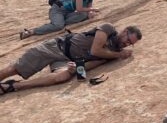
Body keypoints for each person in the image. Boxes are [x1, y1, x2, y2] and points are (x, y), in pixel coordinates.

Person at [0, 24, 141, 96]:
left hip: (68, 60)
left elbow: (88, 65)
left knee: (61, 77)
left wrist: (74, 69)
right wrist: (119, 55)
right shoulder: (108, 29)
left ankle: (13, 86)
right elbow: (95, 50)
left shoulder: (111, 54)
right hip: (57, 47)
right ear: (124, 31)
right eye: (127, 39)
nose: (126, 44)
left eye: (130, 43)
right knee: (16, 68)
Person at [19, 0, 106, 40]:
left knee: (84, 15)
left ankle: (58, 23)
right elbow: (79, 8)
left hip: (68, 12)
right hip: (58, 9)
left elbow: (88, 8)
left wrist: (90, 12)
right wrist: (93, 10)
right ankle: (32, 31)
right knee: (58, 26)